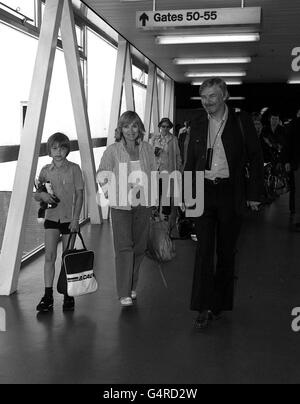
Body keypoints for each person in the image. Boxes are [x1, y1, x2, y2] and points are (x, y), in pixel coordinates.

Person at [184, 77, 264, 330]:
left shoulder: (241, 122)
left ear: (225, 96)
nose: (207, 102)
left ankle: (219, 303)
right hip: (204, 191)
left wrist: (254, 194)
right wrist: (187, 196)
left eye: (212, 97)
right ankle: (202, 306)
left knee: (226, 252)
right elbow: (190, 161)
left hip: (231, 193)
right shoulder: (196, 123)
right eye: (203, 97)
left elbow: (255, 156)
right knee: (203, 250)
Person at [97, 111, 156, 307]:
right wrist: (109, 193)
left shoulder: (147, 148)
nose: (130, 130)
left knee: (139, 247)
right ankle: (123, 292)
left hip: (144, 203)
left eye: (134, 126)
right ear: (120, 129)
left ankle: (131, 285)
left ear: (139, 127)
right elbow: (102, 174)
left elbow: (154, 173)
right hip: (121, 204)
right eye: (126, 126)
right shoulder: (113, 150)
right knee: (124, 247)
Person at [35, 132, 84, 312]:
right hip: (51, 219)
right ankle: (48, 296)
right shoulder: (45, 170)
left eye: (62, 148)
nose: (58, 152)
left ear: (67, 150)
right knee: (49, 257)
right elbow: (36, 195)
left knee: (67, 258)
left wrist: (76, 219)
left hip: (69, 220)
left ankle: (67, 295)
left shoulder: (74, 169)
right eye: (54, 148)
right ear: (49, 150)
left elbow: (80, 195)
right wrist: (42, 195)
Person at [150, 118, 182, 222]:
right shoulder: (154, 139)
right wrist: (154, 154)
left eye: (167, 126)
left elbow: (177, 155)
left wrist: (178, 169)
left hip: (168, 169)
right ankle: (155, 213)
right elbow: (148, 154)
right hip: (156, 169)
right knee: (155, 191)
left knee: (166, 192)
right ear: (159, 126)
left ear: (170, 128)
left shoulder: (173, 139)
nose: (165, 128)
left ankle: (166, 213)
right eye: (163, 126)